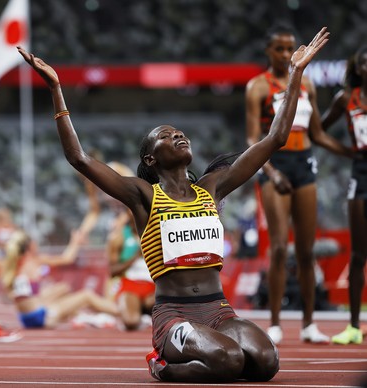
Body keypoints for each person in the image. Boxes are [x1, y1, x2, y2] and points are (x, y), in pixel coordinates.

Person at [18, 26, 329, 382]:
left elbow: (275, 138)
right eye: (165, 136)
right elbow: (78, 158)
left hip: (219, 311)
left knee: (266, 362)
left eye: (179, 131)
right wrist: (57, 90)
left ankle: (209, 354)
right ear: (151, 159)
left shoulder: (213, 187)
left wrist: (295, 74)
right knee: (229, 361)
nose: (177, 134)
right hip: (175, 315)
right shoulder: (143, 196)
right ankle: (162, 364)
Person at [245, 24, 351, 345]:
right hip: (275, 166)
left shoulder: (307, 84)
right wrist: (272, 173)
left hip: (304, 164)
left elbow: (317, 134)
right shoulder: (257, 87)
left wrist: (353, 153)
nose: (286, 53)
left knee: (306, 251)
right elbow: (253, 138)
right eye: (279, 48)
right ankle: (275, 322)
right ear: (268, 51)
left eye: (290, 47)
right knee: (279, 248)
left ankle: (308, 324)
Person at [321, 45, 367, 345]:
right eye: (365, 62)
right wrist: (347, 152)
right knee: (359, 253)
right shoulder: (346, 98)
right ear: (357, 67)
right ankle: (353, 326)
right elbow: (318, 130)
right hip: (361, 175)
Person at [1, 228, 119, 329]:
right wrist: (75, 242)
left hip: (25, 319)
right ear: (30, 246)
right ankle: (120, 312)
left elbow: (13, 296)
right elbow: (67, 258)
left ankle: (82, 317)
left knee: (63, 288)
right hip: (42, 318)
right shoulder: (35, 261)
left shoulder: (13, 265)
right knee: (86, 296)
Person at [105, 162, 155, 331]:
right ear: (128, 213)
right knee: (131, 322)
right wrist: (135, 256)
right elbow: (112, 271)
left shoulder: (155, 231)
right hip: (130, 285)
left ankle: (147, 312)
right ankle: (139, 313)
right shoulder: (118, 237)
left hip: (154, 286)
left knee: (171, 309)